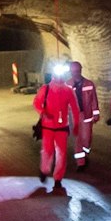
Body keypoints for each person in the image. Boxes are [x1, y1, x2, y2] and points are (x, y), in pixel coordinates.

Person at [33, 66, 77, 194]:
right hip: (47, 127)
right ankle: (44, 170)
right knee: (47, 151)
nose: (59, 78)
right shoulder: (45, 89)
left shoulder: (68, 90)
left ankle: (58, 178)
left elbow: (74, 107)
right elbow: (36, 102)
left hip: (62, 127)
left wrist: (76, 125)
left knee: (62, 154)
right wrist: (43, 113)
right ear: (53, 76)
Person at [67, 60, 100, 170]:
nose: (75, 73)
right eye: (73, 71)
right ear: (71, 72)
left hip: (86, 115)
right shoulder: (67, 85)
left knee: (86, 138)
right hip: (73, 116)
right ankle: (80, 163)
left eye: (77, 71)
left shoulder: (89, 84)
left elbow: (94, 100)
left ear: (80, 70)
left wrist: (96, 113)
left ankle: (85, 152)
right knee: (77, 139)